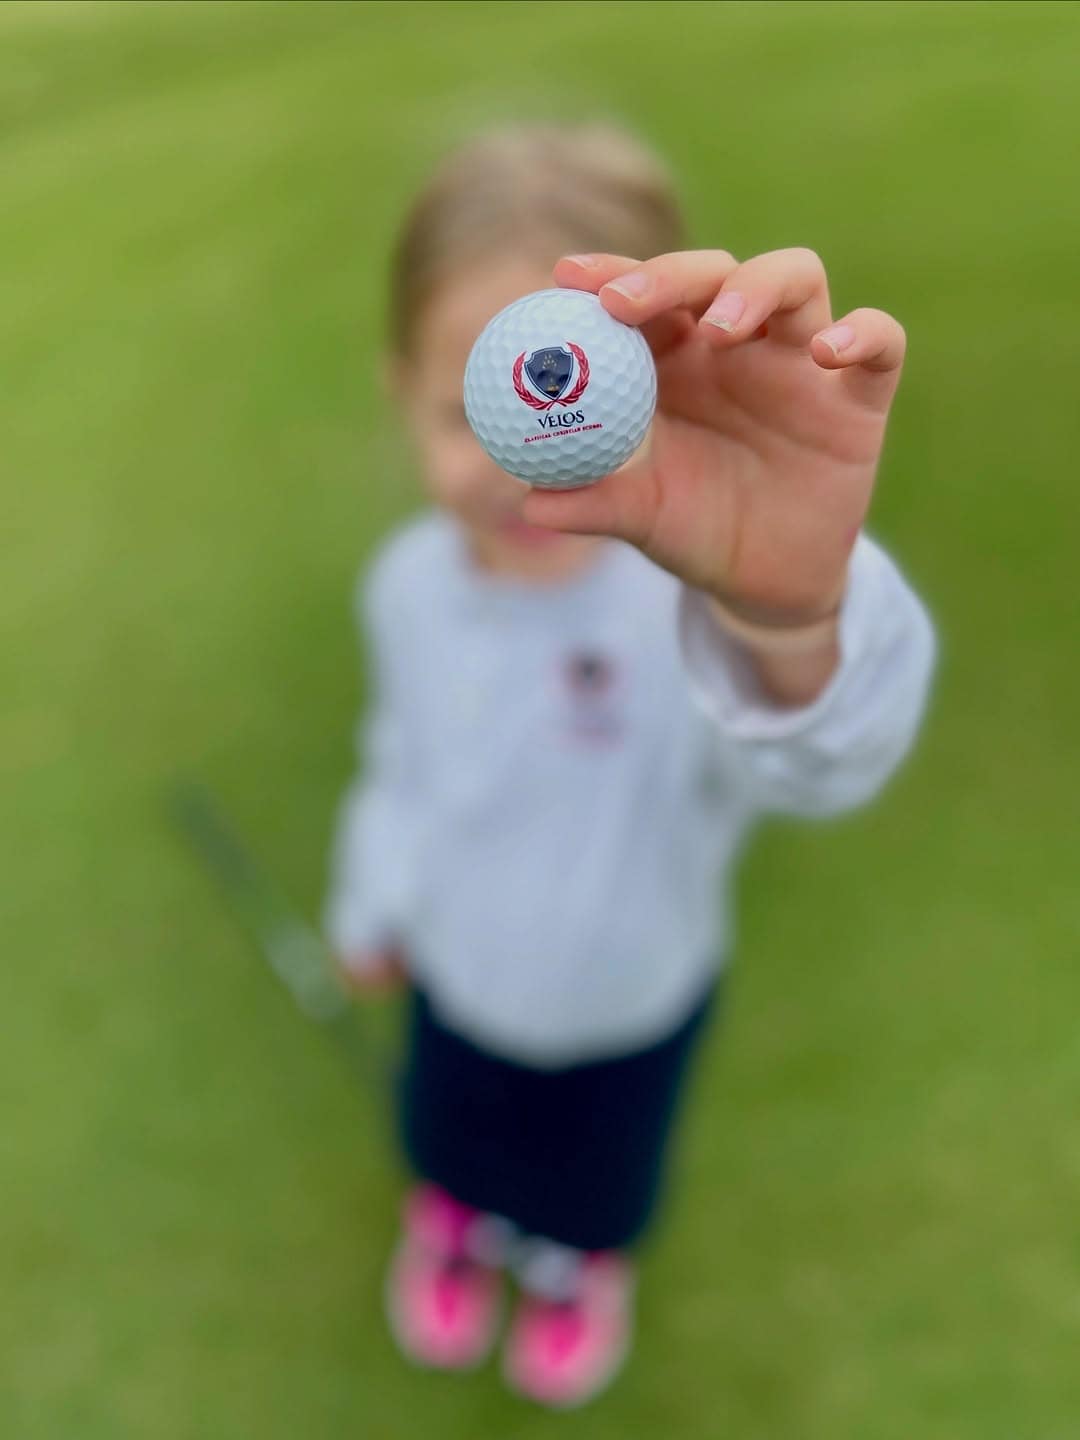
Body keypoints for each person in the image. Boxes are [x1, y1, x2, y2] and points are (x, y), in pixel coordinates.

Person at [325, 124, 935, 1409]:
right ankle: (463, 1225)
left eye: (549, 409)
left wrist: (786, 617)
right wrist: (370, 902)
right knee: (452, 1143)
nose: (507, 462)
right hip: (458, 979)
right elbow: (398, 765)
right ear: (402, 389)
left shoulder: (690, 604)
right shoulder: (406, 591)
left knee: (592, 1192)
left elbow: (821, 768)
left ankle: (564, 1267)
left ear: (650, 386)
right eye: (463, 410)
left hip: (633, 1004)